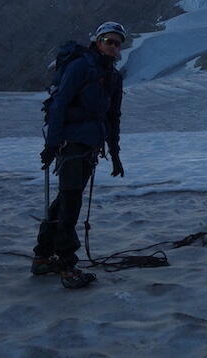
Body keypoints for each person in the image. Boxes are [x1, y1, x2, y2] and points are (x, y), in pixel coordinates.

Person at [32, 21, 126, 288]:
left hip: (89, 146)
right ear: (97, 41)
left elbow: (113, 116)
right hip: (71, 144)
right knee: (71, 203)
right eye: (108, 41)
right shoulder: (81, 66)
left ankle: (42, 256)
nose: (113, 46)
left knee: (66, 199)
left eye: (117, 43)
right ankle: (67, 265)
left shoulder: (113, 76)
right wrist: (52, 145)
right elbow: (60, 104)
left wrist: (115, 153)